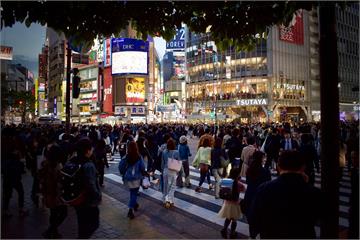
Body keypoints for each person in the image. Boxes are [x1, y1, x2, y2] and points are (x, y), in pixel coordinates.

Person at [248, 150, 323, 239]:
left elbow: (254, 219)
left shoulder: (264, 189)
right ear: (303, 167)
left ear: (278, 167)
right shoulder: (314, 192)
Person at [72, 138, 102, 239]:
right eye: (91, 149)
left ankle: (81, 237)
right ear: (88, 150)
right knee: (94, 223)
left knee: (82, 222)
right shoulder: (88, 165)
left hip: (77, 197)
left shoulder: (74, 160)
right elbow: (91, 184)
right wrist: (98, 196)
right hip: (87, 199)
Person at [38, 144, 68, 239]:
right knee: (63, 213)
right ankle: (50, 230)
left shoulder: (46, 163)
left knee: (53, 213)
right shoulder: (56, 165)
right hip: (56, 193)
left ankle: (53, 232)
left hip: (48, 193)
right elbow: (58, 181)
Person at [242, 151, 271, 238]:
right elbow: (267, 184)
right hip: (261, 195)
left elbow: (247, 181)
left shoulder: (250, 169)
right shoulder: (265, 171)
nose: (264, 159)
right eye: (263, 157)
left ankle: (252, 235)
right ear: (260, 159)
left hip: (250, 194)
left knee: (251, 215)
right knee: (261, 216)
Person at [119, 141, 147, 219]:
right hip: (137, 178)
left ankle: (134, 204)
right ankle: (131, 209)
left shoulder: (126, 157)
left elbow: (121, 167)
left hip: (128, 178)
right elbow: (142, 167)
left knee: (132, 192)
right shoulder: (139, 157)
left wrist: (123, 173)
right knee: (134, 193)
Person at [218, 168, 245, 239]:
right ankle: (232, 232)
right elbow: (244, 189)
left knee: (228, 218)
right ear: (238, 175)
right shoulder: (239, 184)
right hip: (235, 204)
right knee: (234, 220)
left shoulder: (226, 181)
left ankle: (224, 229)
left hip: (227, 203)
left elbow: (220, 184)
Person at [161, 138, 180, 207]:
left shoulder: (164, 152)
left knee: (166, 186)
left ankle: (165, 199)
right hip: (173, 170)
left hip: (165, 170)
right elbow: (178, 162)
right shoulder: (176, 152)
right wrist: (178, 171)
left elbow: (162, 163)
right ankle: (170, 200)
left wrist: (162, 170)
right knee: (172, 186)